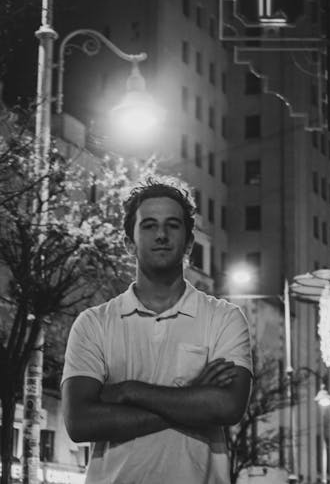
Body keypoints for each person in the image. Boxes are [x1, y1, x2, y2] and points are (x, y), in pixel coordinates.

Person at [61, 176, 253, 484]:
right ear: (129, 242)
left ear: (189, 242)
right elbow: (80, 422)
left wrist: (128, 391)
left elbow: (228, 407)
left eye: (172, 225)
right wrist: (192, 398)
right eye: (148, 225)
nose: (161, 234)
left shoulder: (224, 318)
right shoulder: (93, 323)